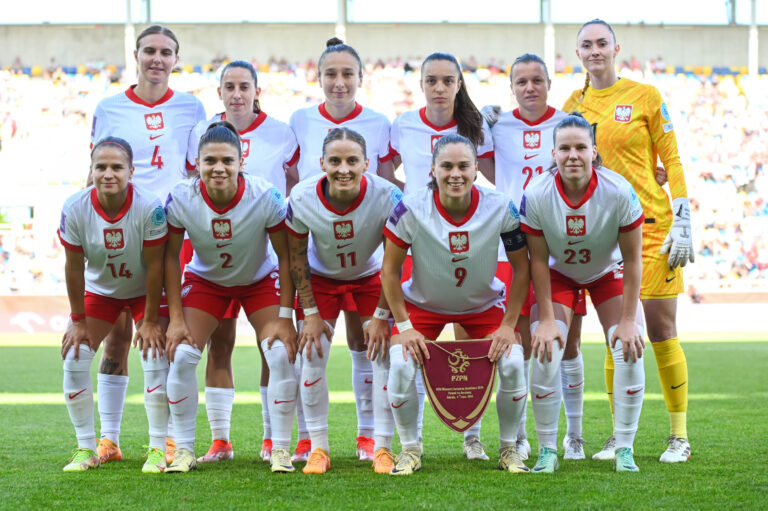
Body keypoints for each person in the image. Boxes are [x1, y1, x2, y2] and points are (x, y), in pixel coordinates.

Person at [564, 19, 695, 463]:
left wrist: (682, 212)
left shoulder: (645, 96)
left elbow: (671, 159)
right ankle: (620, 438)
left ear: (616, 48)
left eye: (602, 42)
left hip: (653, 227)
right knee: (616, 335)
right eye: (587, 44)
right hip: (604, 235)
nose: (595, 50)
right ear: (578, 53)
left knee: (660, 329)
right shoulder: (572, 105)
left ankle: (679, 437)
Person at [89, 24, 206, 464]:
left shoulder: (193, 107)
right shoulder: (109, 108)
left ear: (177, 58)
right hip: (121, 232)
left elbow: (197, 171)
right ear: (136, 55)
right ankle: (110, 439)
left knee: (169, 340)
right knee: (117, 340)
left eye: (166, 52)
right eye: (149, 51)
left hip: (171, 234)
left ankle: (170, 438)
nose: (157, 59)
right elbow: (99, 170)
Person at [381, 134, 530, 475]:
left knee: (512, 362)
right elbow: (389, 272)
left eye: (464, 165)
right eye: (446, 166)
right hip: (423, 305)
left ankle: (509, 448)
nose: (455, 174)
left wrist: (508, 325)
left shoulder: (500, 206)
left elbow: (522, 269)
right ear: (432, 170)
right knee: (402, 365)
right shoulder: (410, 208)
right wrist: (403, 328)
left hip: (482, 306)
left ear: (477, 169)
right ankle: (410, 450)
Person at [162, 122, 297, 473]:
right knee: (182, 355)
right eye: (210, 161)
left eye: (226, 160)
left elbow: (286, 256)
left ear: (241, 161)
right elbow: (170, 258)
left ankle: (280, 448)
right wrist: (176, 319)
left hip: (258, 279)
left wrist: (285, 316)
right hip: (207, 280)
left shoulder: (265, 195)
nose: (218, 168)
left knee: (280, 352)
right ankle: (188, 449)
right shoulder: (180, 197)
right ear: (198, 161)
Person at [288, 38, 399, 462]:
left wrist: (383, 314)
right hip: (321, 277)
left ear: (366, 163)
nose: (343, 169)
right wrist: (310, 312)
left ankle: (376, 442)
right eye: (334, 162)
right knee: (310, 354)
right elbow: (297, 257)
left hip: (371, 275)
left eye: (353, 161)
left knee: (379, 355)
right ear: (321, 163)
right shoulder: (301, 197)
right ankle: (317, 445)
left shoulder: (387, 196)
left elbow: (395, 256)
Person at [186, 60, 299, 464]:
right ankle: (221, 441)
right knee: (220, 345)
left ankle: (272, 439)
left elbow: (293, 186)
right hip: (213, 260)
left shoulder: (281, 133)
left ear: (256, 91)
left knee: (273, 347)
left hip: (260, 259)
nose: (237, 93)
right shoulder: (201, 134)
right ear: (219, 92)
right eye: (229, 86)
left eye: (244, 86)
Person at [521, 112, 646, 473]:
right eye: (564, 148)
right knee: (546, 347)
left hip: (607, 273)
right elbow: (539, 262)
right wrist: (546, 320)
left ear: (594, 151)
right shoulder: (538, 194)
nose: (572, 155)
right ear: (553, 154)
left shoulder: (618, 190)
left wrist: (626, 321)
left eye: (580, 147)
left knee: (629, 347)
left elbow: (633, 259)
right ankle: (547, 449)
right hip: (558, 275)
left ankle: (624, 448)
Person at [388, 52, 494, 459]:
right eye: (431, 80)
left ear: (458, 85)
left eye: (447, 81)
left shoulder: (476, 127)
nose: (439, 88)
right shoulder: (403, 125)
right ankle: (411, 445)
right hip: (421, 242)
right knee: (413, 350)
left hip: (471, 242)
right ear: (421, 84)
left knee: (471, 348)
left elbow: (496, 174)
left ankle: (473, 438)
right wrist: (402, 211)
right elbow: (386, 172)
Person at [488, 53, 592, 461]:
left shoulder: (568, 121)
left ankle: (575, 436)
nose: (530, 87)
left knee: (566, 343)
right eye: (521, 82)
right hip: (512, 243)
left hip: (563, 246)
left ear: (549, 82)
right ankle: (521, 436)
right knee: (521, 344)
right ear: (511, 87)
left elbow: (590, 165)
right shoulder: (499, 125)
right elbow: (481, 164)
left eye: (537, 80)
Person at [58, 138, 169, 473]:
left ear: (131, 171)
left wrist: (149, 320)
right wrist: (77, 320)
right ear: (90, 171)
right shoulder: (75, 207)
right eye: (101, 167)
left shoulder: (149, 207)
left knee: (153, 353)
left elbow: (155, 267)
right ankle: (87, 448)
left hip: (143, 291)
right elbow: (73, 267)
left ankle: (158, 448)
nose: (108, 174)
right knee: (75, 354)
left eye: (117, 167)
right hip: (102, 292)